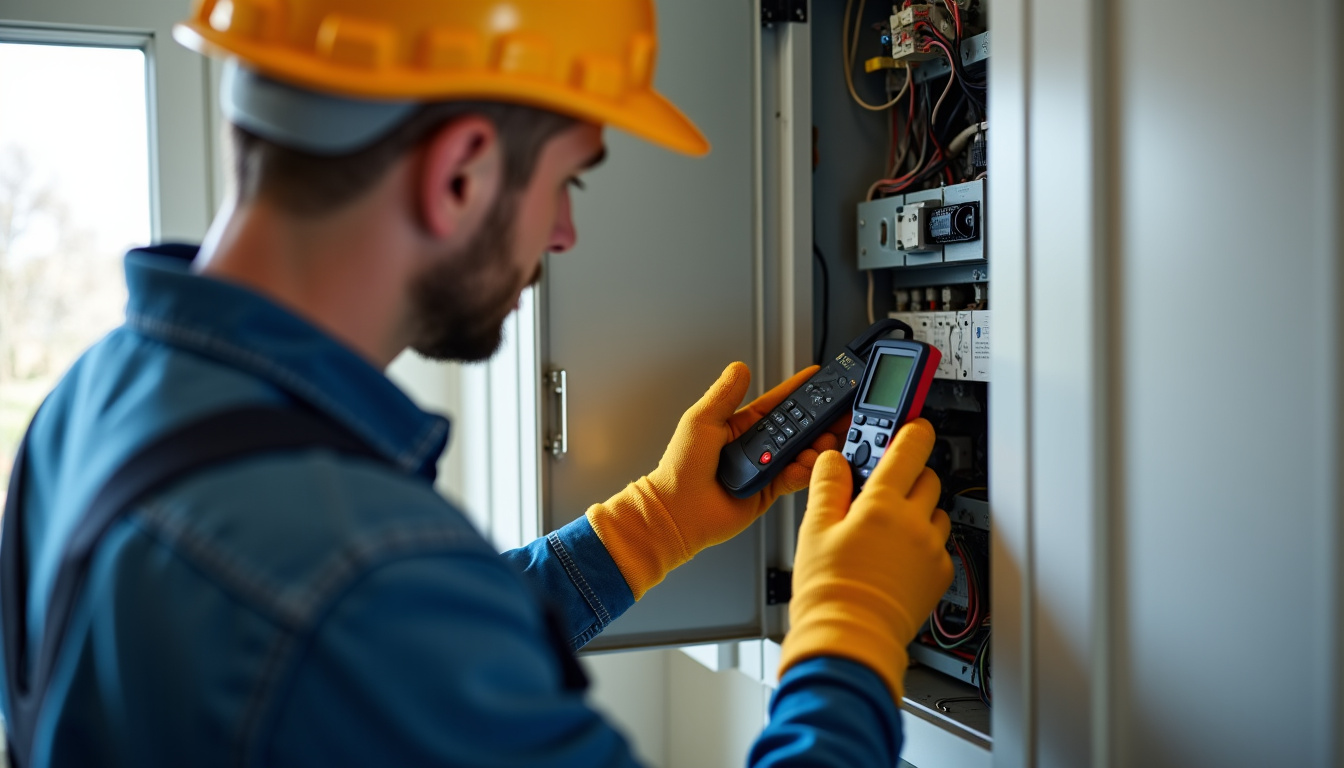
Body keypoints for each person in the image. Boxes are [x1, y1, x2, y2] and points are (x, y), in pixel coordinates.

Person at [0, 1, 953, 765]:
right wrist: (848, 633)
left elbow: (356, 680)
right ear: (459, 172)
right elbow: (365, 637)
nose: (564, 235)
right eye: (568, 182)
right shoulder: (353, 572)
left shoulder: (88, 406)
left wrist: (652, 525)